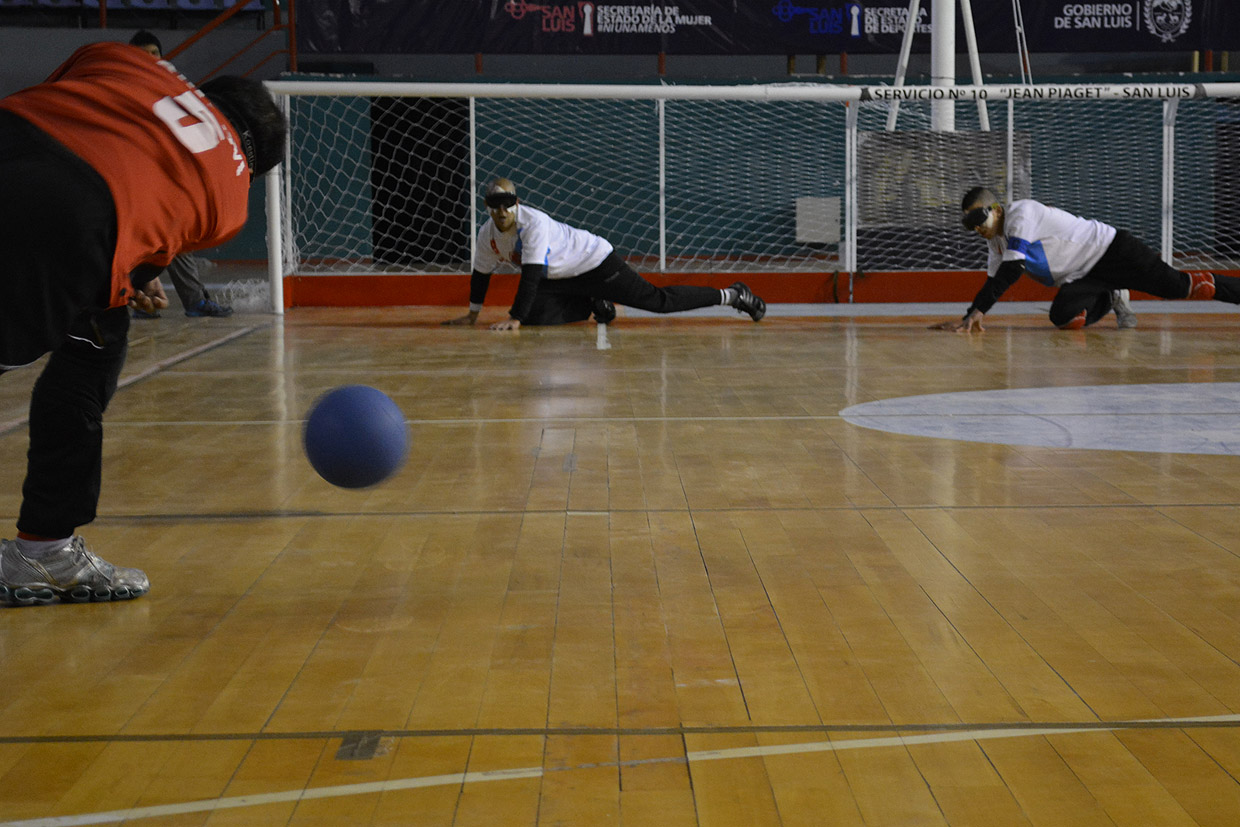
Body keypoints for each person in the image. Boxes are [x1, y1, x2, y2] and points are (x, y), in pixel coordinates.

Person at [0, 41, 286, 605]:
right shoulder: (230, 202)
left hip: (14, 136)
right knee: (90, 357)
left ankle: (47, 548)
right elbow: (143, 251)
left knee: (101, 335)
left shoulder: (127, 59)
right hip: (66, 219)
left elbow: (63, 98)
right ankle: (45, 549)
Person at [443, 178, 767, 330]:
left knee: (658, 302)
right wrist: (472, 315)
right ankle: (593, 303)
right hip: (561, 276)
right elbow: (480, 275)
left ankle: (733, 295)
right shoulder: (488, 236)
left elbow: (529, 275)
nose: (502, 212)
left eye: (508, 205)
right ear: (487, 208)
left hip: (595, 262)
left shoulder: (534, 223)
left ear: (517, 203)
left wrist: (513, 318)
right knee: (534, 318)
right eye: (495, 207)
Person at [933, 187, 1240, 333]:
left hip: (1113, 251)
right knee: (1066, 319)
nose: (975, 227)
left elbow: (1013, 270)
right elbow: (992, 279)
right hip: (1083, 276)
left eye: (978, 217)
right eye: (968, 222)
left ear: (996, 209)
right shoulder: (996, 240)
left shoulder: (1021, 214)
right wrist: (971, 315)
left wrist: (980, 309)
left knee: (1185, 288)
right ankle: (1111, 293)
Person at [129, 30, 233, 320]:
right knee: (140, 240)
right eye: (142, 54)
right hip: (131, 178)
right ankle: (141, 297)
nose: (149, 59)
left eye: (154, 53)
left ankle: (190, 301)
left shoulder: (174, 87)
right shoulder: (123, 88)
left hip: (164, 177)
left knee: (176, 237)